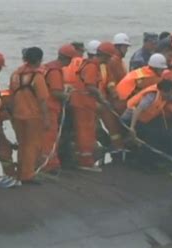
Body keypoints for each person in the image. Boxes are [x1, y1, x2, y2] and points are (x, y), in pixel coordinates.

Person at [70, 42, 116, 172]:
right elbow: (90, 86)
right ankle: (85, 162)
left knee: (85, 131)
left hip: (83, 102)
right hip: (83, 103)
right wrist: (102, 99)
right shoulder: (92, 67)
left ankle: (82, 159)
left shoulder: (89, 64)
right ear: (106, 56)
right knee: (86, 132)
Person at [9, 47, 50, 185]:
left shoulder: (15, 74)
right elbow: (43, 100)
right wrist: (46, 119)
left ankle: (20, 173)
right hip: (33, 116)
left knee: (22, 145)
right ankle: (28, 175)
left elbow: (10, 95)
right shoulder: (37, 77)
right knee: (32, 145)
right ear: (39, 60)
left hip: (17, 115)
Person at [40, 44, 78, 173]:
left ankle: (41, 163)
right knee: (50, 137)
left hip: (42, 106)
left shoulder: (47, 66)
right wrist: (67, 95)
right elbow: (56, 92)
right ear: (68, 59)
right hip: (50, 108)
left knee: (43, 137)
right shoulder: (55, 70)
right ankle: (49, 165)